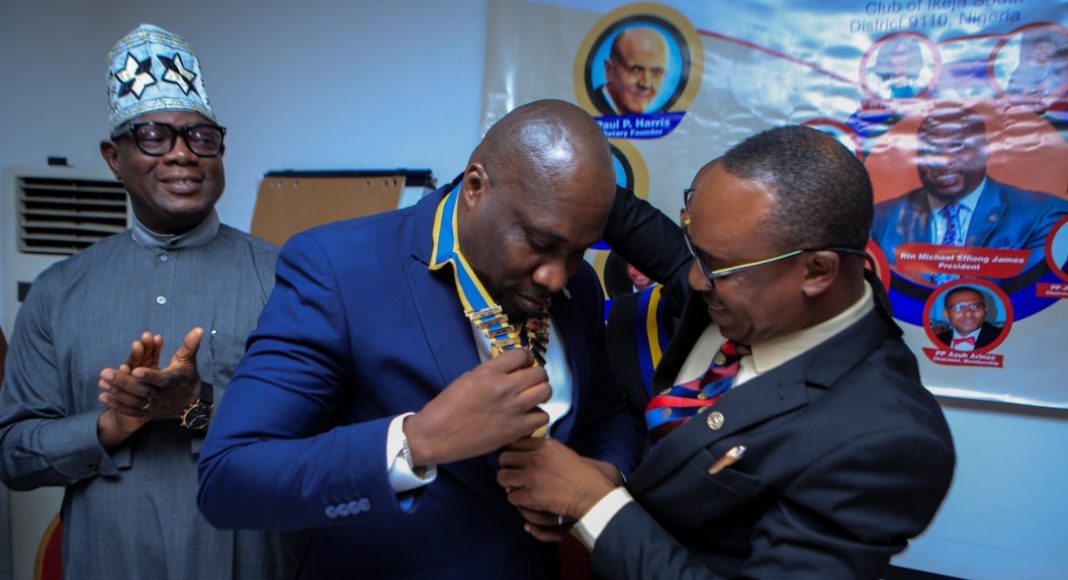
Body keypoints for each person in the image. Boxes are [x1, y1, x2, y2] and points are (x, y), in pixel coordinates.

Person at [196, 100, 646, 578]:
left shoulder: (580, 287)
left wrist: (599, 481)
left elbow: (607, 415)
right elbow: (230, 478)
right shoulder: (338, 269)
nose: (557, 276)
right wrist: (418, 441)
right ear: (475, 186)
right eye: (539, 243)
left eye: (579, 252)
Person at [497, 126, 956, 578]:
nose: (694, 279)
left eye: (717, 267)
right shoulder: (741, 284)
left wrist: (592, 503)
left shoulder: (884, 438)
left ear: (817, 271)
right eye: (695, 253)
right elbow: (616, 209)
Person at [0, 24, 299, 579]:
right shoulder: (57, 292)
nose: (183, 154)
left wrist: (195, 406)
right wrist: (112, 424)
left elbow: (318, 432)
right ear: (114, 158)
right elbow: (14, 455)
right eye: (154, 137)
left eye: (201, 137)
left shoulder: (286, 277)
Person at [870, 104, 1068, 279]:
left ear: (985, 150)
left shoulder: (1043, 214)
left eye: (957, 146)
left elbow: (1028, 290)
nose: (944, 162)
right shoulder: (879, 219)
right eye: (930, 150)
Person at [591, 26, 669, 115]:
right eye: (636, 69)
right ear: (609, 70)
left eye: (657, 72)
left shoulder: (660, 118)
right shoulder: (584, 112)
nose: (646, 84)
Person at [935, 286, 1002, 351]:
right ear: (946, 314)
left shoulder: (1003, 339)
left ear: (985, 311)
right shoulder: (936, 340)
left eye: (976, 306)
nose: (968, 313)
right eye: (958, 307)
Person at [865, 36, 932, 100]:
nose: (899, 60)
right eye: (894, 55)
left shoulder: (925, 77)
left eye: (902, 54)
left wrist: (907, 86)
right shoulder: (873, 80)